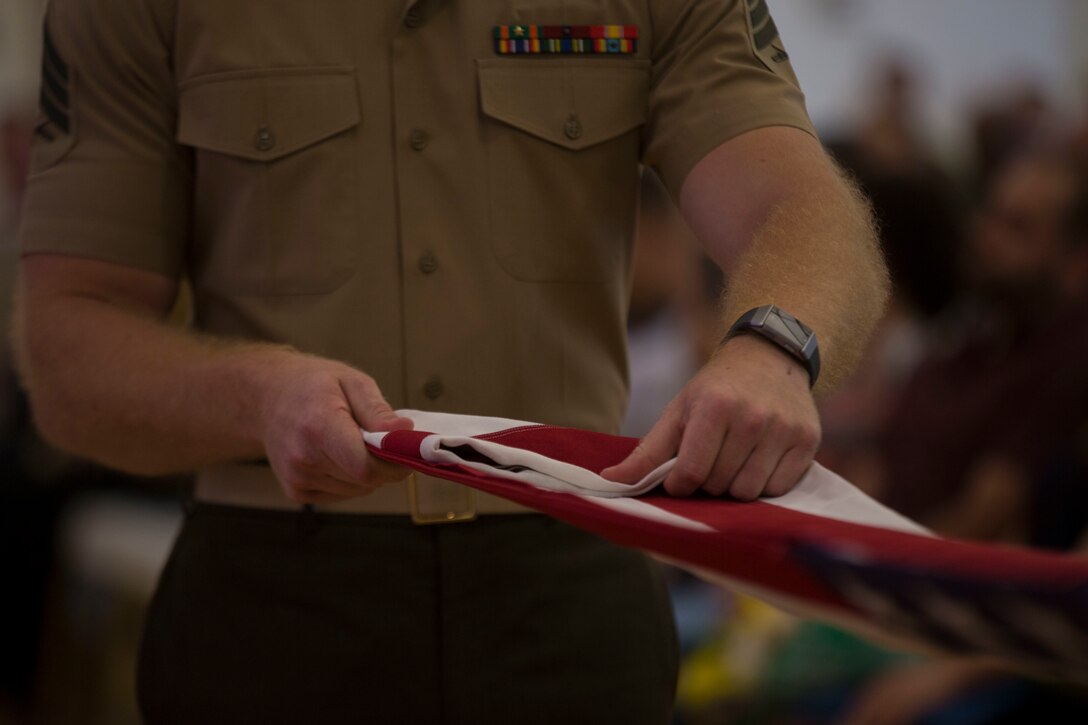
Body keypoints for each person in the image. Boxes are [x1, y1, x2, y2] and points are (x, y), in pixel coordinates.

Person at [14, 1, 887, 722]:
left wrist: (772, 346)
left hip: (571, 600)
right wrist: (256, 394)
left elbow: (805, 204)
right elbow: (68, 347)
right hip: (272, 598)